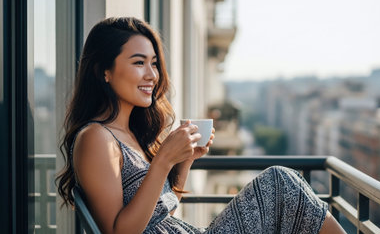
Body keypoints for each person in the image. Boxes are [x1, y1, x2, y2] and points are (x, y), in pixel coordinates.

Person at [56, 17, 346, 234]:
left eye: (154, 63)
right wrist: (163, 161)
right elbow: (119, 232)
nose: (152, 75)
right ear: (104, 71)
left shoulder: (128, 134)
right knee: (281, 183)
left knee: (285, 189)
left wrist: (182, 163)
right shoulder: (96, 138)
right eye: (138, 63)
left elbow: (157, 212)